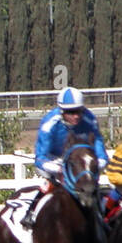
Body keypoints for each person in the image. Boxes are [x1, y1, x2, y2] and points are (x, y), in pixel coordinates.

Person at [20, 86, 108, 228]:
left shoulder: (90, 119)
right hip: (53, 159)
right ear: (62, 111)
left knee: (92, 185)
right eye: (71, 112)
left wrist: (99, 162)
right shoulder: (50, 123)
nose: (76, 116)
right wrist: (57, 168)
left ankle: (103, 217)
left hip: (80, 159)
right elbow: (40, 157)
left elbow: (99, 149)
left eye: (79, 110)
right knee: (48, 184)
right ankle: (32, 213)